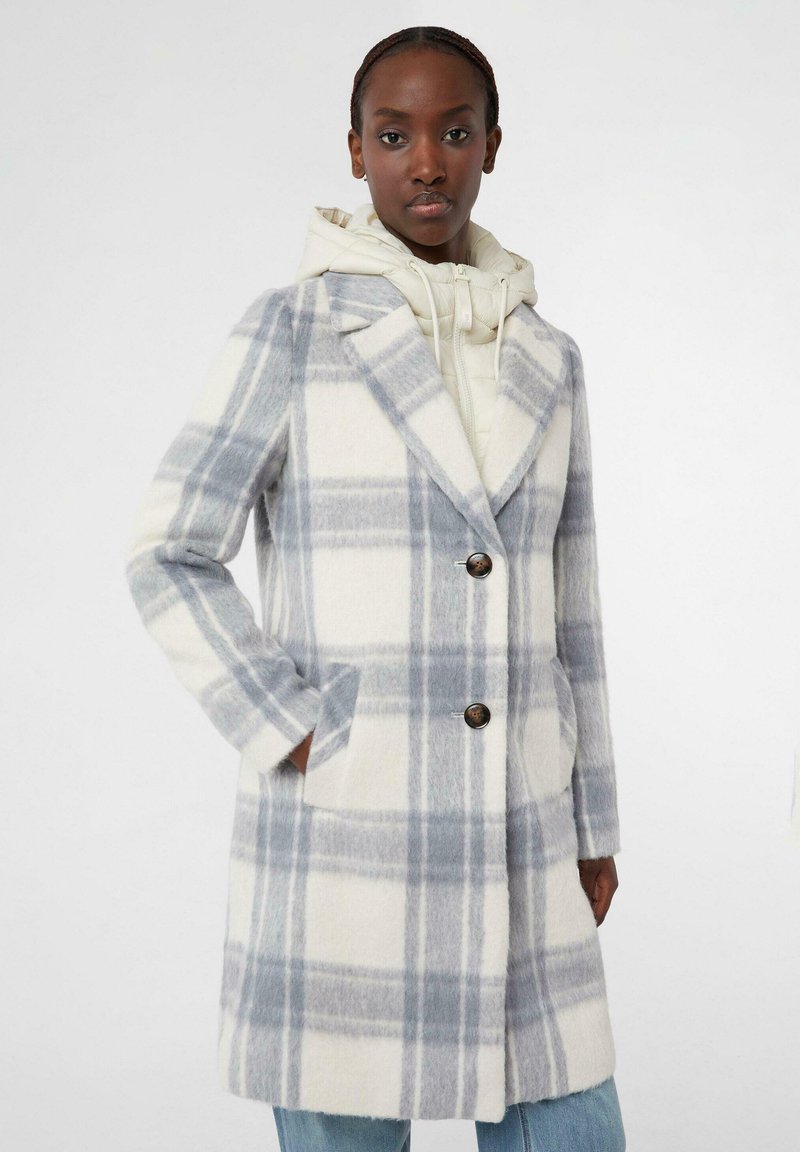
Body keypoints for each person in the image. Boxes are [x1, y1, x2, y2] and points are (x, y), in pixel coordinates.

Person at [125, 24, 625, 1152]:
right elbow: (168, 549)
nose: (427, 162)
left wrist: (592, 819)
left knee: (570, 1123)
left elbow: (573, 611)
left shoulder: (550, 356)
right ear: (354, 151)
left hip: (520, 827)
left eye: (454, 132)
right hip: (347, 832)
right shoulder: (291, 331)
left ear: (492, 145)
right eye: (394, 136)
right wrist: (296, 727)